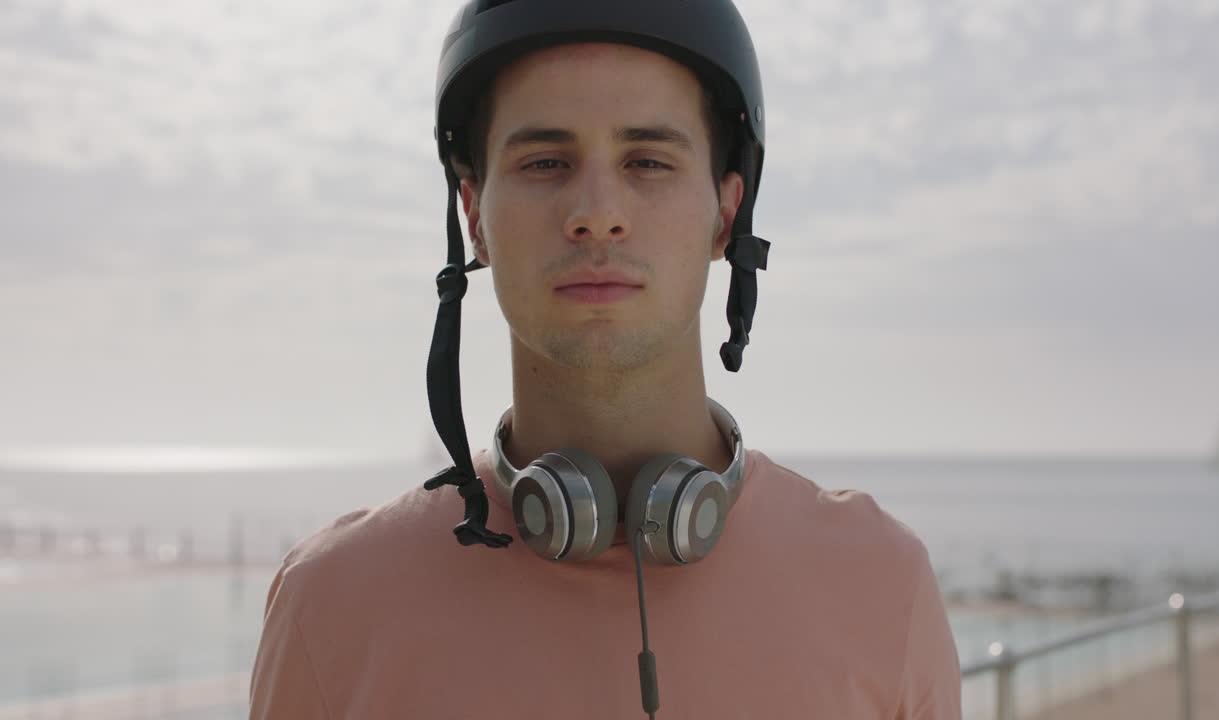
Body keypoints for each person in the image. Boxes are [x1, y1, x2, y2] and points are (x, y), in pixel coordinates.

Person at [249, 1, 962, 717]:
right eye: (545, 161)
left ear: (727, 213)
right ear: (474, 217)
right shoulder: (332, 601)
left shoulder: (880, 583)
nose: (596, 211)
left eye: (647, 161)